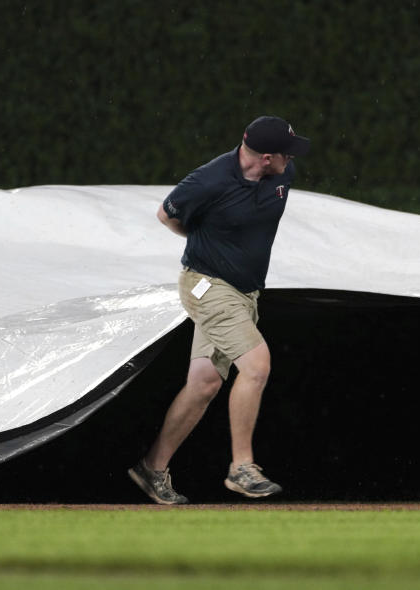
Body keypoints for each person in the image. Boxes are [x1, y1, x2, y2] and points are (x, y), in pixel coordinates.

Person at [129, 116, 310, 504]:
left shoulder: (283, 174)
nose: (291, 159)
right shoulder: (209, 180)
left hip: (245, 293)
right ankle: (241, 467)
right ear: (265, 157)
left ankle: (152, 468)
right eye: (285, 153)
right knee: (257, 366)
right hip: (205, 285)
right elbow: (166, 214)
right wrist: (202, 237)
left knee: (204, 384)